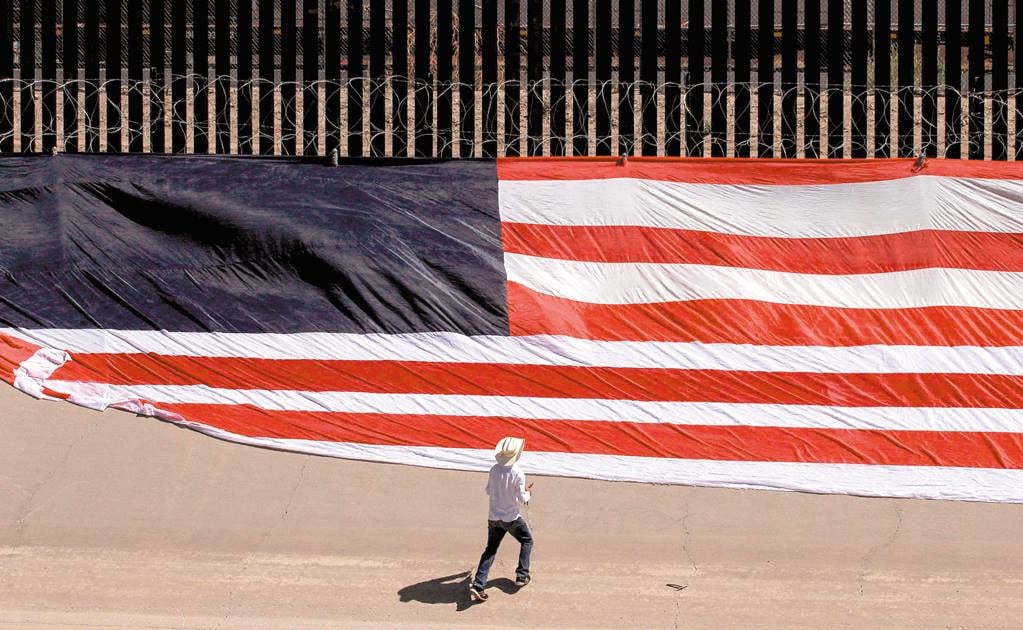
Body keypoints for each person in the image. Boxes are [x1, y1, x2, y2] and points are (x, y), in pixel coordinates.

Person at [468, 436, 534, 602]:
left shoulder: (494, 469)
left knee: (490, 550)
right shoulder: (518, 472)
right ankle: (522, 575)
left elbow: (489, 490)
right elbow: (521, 498)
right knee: (527, 541)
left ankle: (478, 585)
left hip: (494, 517)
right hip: (511, 518)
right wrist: (528, 493)